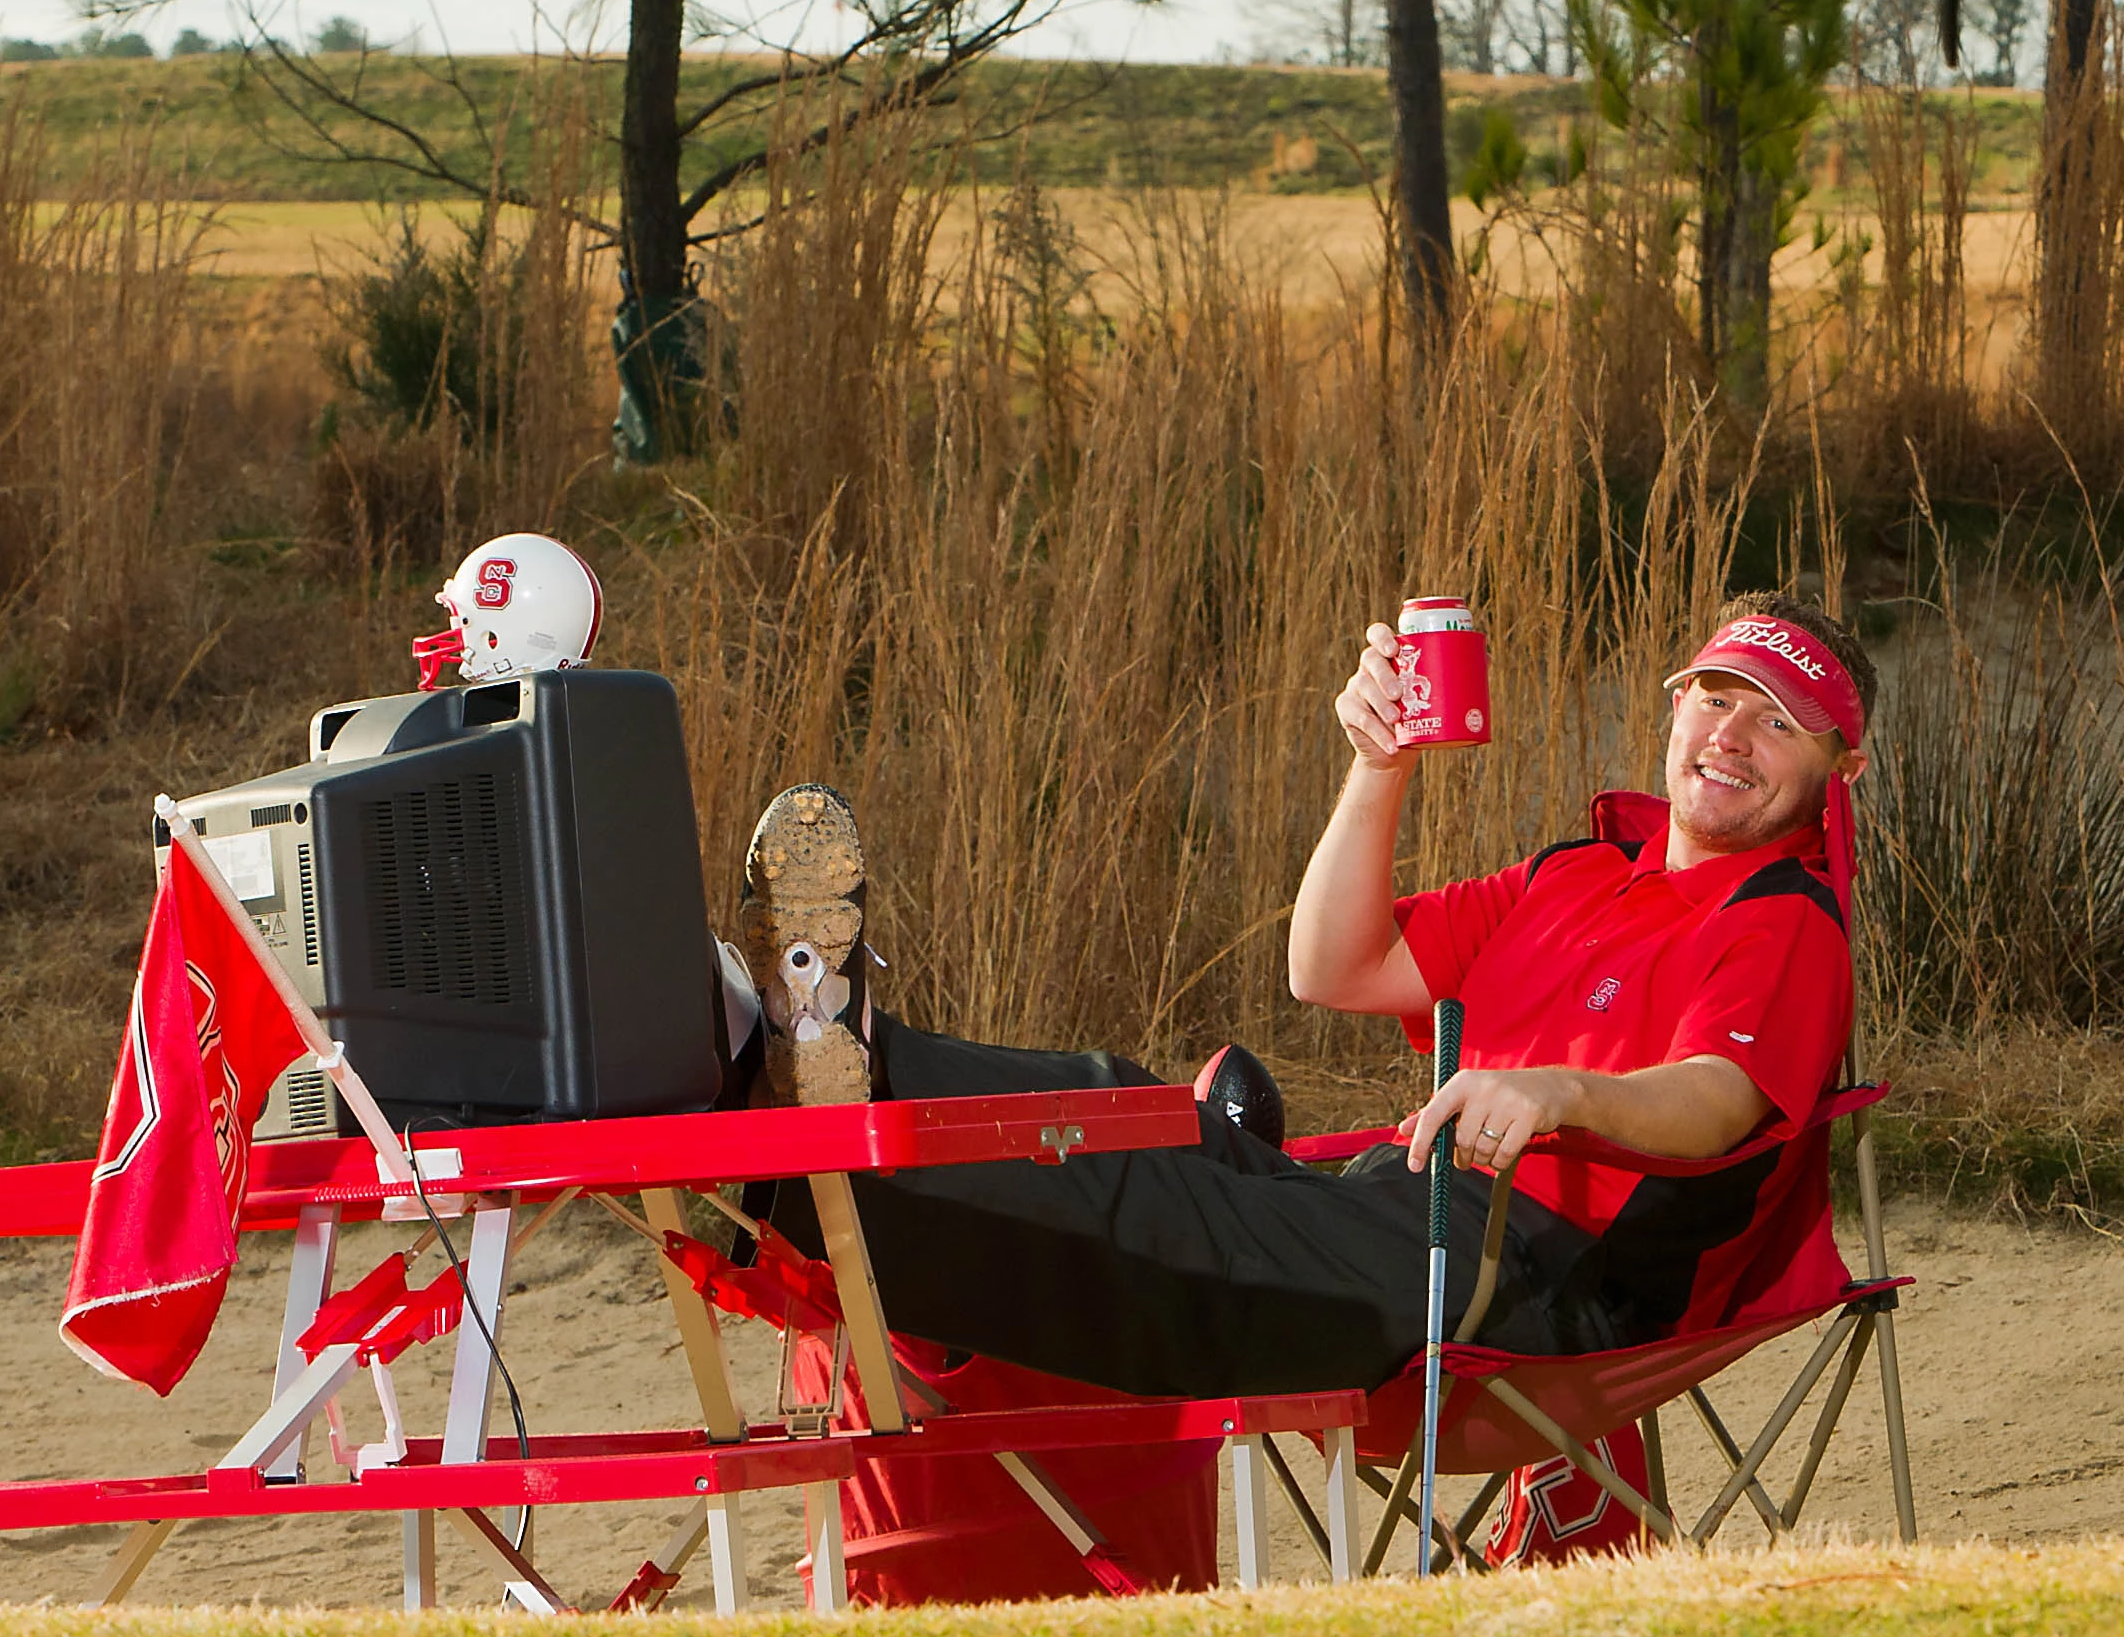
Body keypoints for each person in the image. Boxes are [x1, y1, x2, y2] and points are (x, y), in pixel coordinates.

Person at [750, 596, 1873, 1411]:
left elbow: (1720, 1101)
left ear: (1837, 768)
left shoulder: (1785, 920)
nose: (1730, 736)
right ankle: (833, 1054)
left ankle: (788, 1152)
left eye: (1777, 722)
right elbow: (1333, 968)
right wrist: (1376, 766)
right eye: (1716, 699)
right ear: (1675, 713)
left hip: (1531, 1282)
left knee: (1172, 1212)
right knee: (1130, 1110)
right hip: (1404, 1211)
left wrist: (1559, 1090)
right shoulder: (1576, 873)